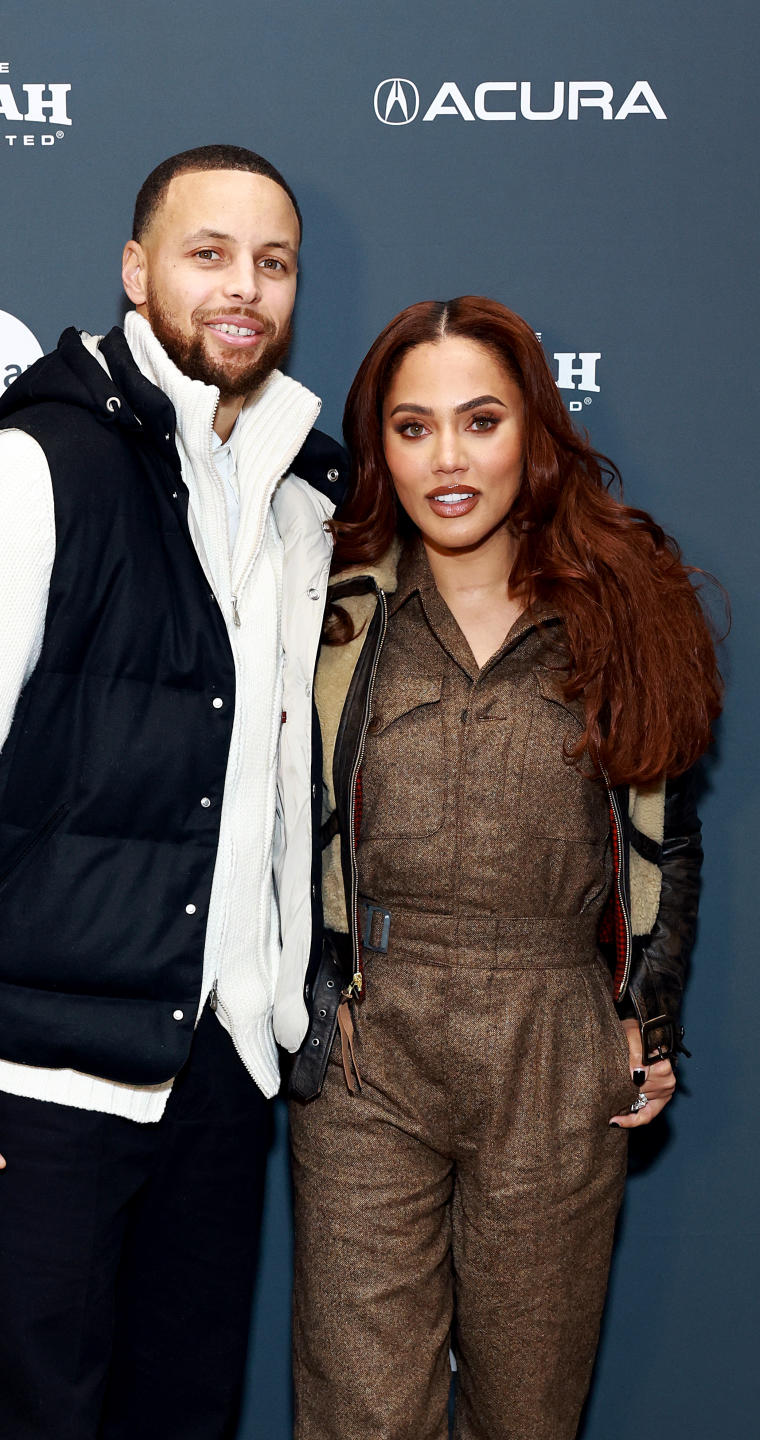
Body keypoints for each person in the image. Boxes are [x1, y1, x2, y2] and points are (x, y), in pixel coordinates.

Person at [0, 144, 346, 1439]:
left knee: (178, 1419)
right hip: (41, 1087)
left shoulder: (295, 499)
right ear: (136, 270)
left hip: (219, 1072)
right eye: (209, 252)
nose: (244, 286)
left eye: (273, 262)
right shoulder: (28, 473)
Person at [287, 297, 721, 1440]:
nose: (448, 459)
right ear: (377, 444)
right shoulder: (323, 605)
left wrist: (648, 1015)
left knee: (528, 1412)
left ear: (533, 427)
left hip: (554, 1036)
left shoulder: (626, 605)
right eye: (412, 426)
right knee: (360, 1414)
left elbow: (666, 835)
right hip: (371, 1038)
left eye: (479, 421)